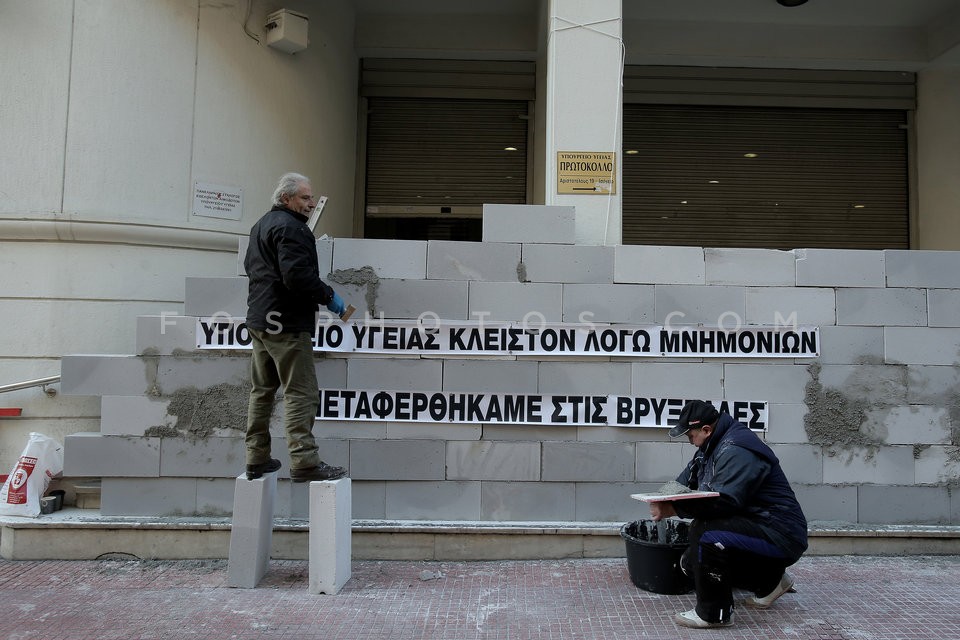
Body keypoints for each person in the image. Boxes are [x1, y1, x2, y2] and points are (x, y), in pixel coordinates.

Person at [650, 400, 808, 629]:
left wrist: (673, 509)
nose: (690, 441)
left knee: (705, 532)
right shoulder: (711, 446)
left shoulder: (736, 449)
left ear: (706, 430)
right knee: (691, 563)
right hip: (756, 526)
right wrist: (661, 497)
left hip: (780, 534)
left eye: (690, 435)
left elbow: (724, 502)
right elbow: (686, 478)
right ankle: (770, 581)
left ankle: (714, 614)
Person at [242, 172, 347, 482]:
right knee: (301, 393)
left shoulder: (261, 224)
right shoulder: (294, 229)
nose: (311, 203)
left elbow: (254, 269)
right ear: (286, 199)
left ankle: (256, 457)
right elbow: (296, 277)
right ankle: (304, 461)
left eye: (311, 198)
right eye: (304, 197)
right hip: (287, 324)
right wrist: (328, 295)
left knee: (261, 392)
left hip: (260, 320)